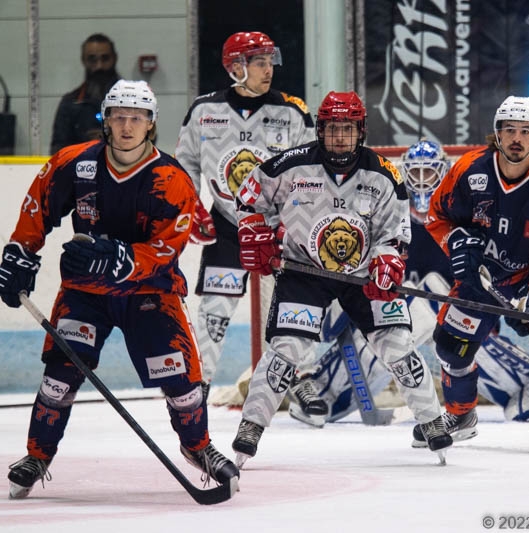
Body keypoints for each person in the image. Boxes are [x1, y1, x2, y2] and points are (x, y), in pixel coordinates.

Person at [0, 80, 239, 499]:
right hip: (85, 293)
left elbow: (168, 247)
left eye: (137, 118)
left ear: (150, 125)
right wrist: (21, 252)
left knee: (181, 382)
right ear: (105, 121)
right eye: (119, 116)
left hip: (149, 293)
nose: (127, 125)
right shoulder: (75, 163)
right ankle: (37, 456)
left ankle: (198, 446)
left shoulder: (171, 179)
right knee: (60, 377)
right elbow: (38, 207)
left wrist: (122, 260)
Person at [230, 91, 452, 466]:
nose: (340, 138)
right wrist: (256, 229)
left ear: (360, 130)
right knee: (286, 352)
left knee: (398, 346)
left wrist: (386, 263)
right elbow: (249, 197)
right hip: (305, 273)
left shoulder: (383, 174)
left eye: (347, 129)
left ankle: (432, 421)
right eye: (333, 129)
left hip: (362, 275)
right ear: (320, 129)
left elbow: (393, 233)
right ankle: (251, 425)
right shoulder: (291, 165)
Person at [287, 139, 529, 432]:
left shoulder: (466, 221)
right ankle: (326, 391)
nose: (420, 182)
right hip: (395, 321)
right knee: (396, 314)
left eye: (428, 174)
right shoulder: (387, 220)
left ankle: (525, 387)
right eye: (415, 174)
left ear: (443, 175)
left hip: (457, 323)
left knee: (441, 300)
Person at [421, 96, 529, 454]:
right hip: (480, 279)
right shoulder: (469, 171)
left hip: (528, 279)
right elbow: (437, 217)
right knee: (451, 347)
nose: (516, 138)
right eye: (509, 129)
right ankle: (460, 415)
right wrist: (455, 242)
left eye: (526, 131)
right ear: (496, 133)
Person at [175, 31, 315, 399]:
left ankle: (300, 379)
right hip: (226, 226)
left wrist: (295, 220)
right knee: (214, 311)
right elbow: (185, 163)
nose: (269, 69)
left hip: (277, 229)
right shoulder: (205, 111)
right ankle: (198, 383)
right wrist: (191, 205)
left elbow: (310, 173)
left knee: (289, 305)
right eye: (260, 62)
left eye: (271, 61)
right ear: (236, 66)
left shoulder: (292, 111)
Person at [50, 33, 121, 154]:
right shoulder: (71, 103)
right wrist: (86, 145)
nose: (99, 66)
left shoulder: (135, 100)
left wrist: (115, 140)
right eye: (92, 59)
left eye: (105, 58)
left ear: (114, 58)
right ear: (83, 60)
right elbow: (57, 151)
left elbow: (149, 140)